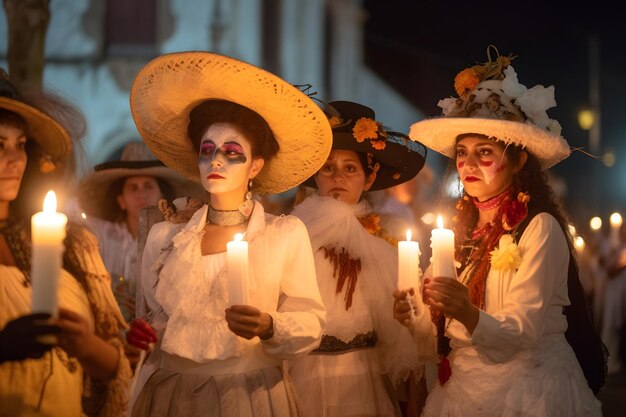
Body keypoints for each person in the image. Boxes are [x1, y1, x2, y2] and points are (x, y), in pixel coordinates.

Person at [393, 48, 606, 416]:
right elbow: (435, 336)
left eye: (485, 152)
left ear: (519, 160)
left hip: (529, 390)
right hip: (462, 391)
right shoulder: (456, 234)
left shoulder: (539, 227)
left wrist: (467, 311)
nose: (468, 164)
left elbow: (522, 332)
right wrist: (413, 312)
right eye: (462, 152)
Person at [124, 51, 332, 416]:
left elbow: (310, 322)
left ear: (256, 165)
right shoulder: (165, 238)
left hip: (249, 396)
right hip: (170, 395)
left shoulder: (283, 234)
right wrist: (142, 335)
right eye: (207, 150)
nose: (215, 160)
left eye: (232, 152)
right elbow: (160, 322)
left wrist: (269, 325)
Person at [0, 70, 131, 415]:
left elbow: (114, 368)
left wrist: (85, 346)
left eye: (21, 145)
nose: (13, 160)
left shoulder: (70, 245)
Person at [287, 100, 428, 417]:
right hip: (306, 373)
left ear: (368, 178)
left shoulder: (385, 240)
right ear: (316, 177)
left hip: (363, 375)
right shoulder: (293, 232)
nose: (338, 176)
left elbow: (400, 328)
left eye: (350, 168)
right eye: (328, 168)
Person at [76, 141, 203, 322]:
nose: (140, 194)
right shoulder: (102, 236)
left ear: (162, 198)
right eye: (133, 188)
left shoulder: (180, 239)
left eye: (148, 186)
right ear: (121, 201)